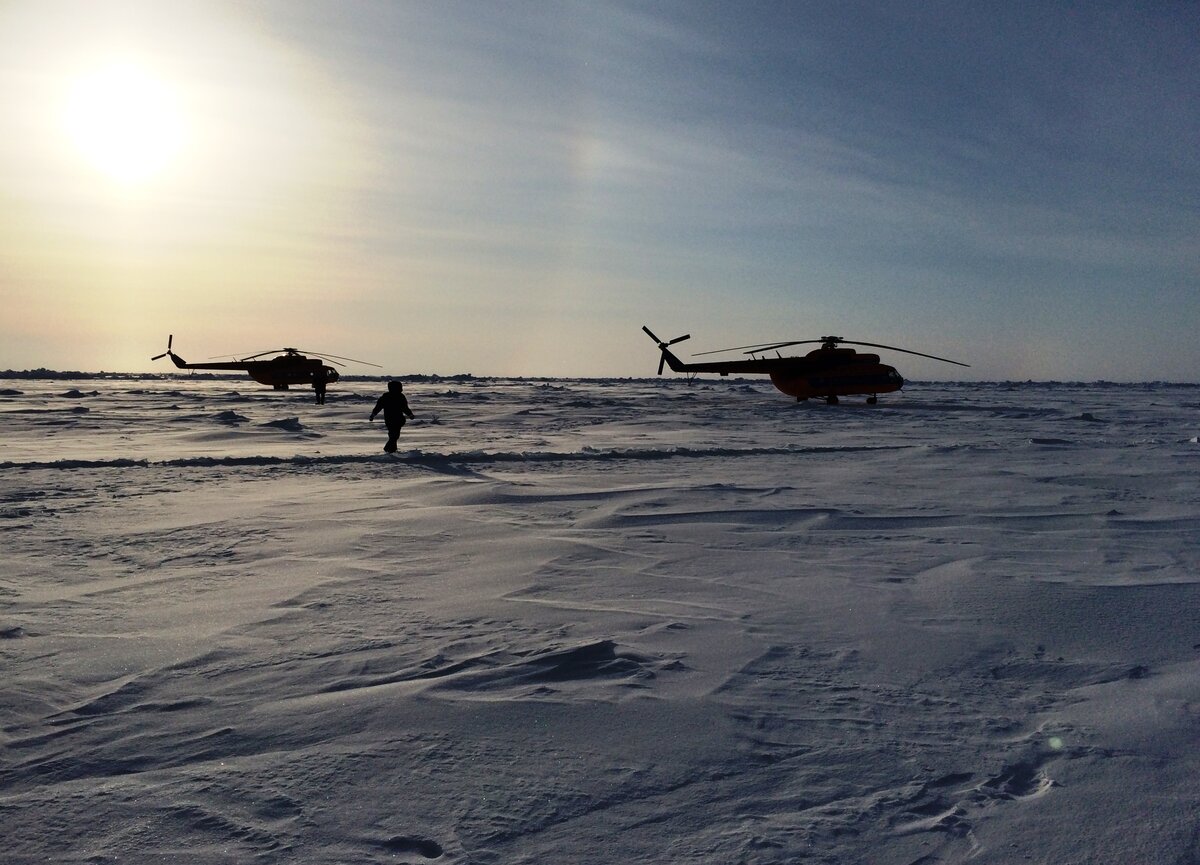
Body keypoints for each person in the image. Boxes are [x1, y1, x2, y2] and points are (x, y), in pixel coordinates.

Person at [369, 380, 416, 452]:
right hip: (390, 419)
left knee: (394, 435)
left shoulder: (400, 396)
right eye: (400, 388)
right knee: (394, 435)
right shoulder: (386, 397)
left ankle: (392, 449)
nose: (401, 389)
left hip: (398, 419)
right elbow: (378, 407)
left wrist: (410, 414)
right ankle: (388, 448)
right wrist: (373, 415)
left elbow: (405, 407)